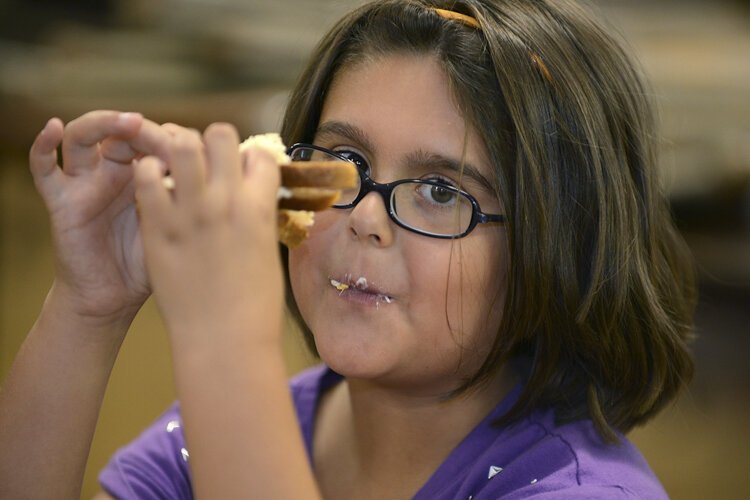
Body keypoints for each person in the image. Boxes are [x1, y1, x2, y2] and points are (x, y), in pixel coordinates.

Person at [0, 0, 697, 498]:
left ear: (554, 249)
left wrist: (223, 338)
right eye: (342, 163)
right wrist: (87, 306)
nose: (365, 217)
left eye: (442, 192)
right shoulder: (218, 437)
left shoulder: (581, 491)